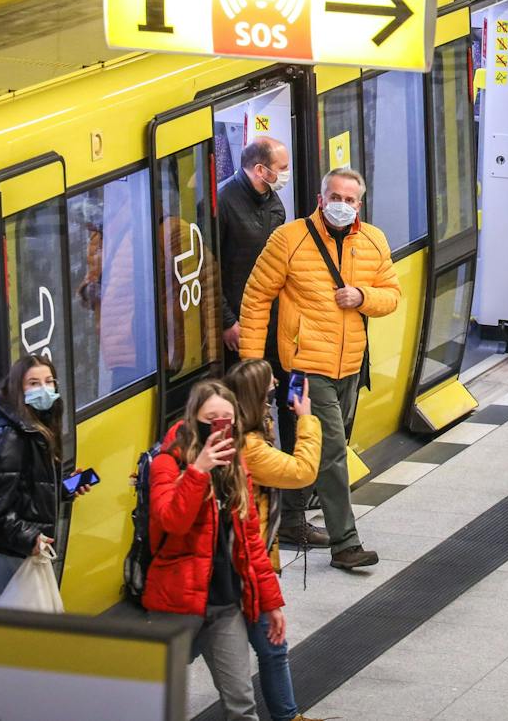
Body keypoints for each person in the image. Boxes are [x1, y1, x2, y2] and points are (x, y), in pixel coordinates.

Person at [239, 167, 401, 572]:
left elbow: (392, 296)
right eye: (335, 198)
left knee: (321, 444)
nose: (341, 205)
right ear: (320, 199)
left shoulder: (373, 240)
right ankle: (346, 544)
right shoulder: (289, 239)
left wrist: (362, 296)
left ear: (359, 204)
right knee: (331, 452)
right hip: (303, 370)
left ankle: (292, 520)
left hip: (350, 365)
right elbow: (256, 299)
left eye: (349, 200)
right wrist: (252, 366)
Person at [144, 380, 285, 721]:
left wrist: (271, 603)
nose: (221, 427)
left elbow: (251, 541)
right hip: (177, 604)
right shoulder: (168, 462)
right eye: (212, 419)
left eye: (227, 419)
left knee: (242, 702)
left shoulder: (236, 465)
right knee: (162, 704)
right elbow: (172, 521)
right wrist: (198, 471)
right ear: (193, 418)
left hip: (225, 603)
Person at [215, 135, 320, 550]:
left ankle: (293, 514)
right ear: (260, 170)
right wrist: (227, 321)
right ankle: (255, 511)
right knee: (253, 415)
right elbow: (209, 269)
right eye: (282, 167)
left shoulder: (274, 204)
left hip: (282, 333)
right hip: (244, 335)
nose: (285, 174)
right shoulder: (223, 204)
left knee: (295, 409)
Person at [224, 358, 322, 721]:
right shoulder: (250, 447)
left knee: (266, 647)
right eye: (270, 387)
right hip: (246, 563)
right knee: (271, 645)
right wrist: (306, 419)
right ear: (257, 398)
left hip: (244, 560)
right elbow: (302, 471)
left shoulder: (242, 434)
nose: (276, 390)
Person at [0, 353, 81, 603]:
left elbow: (24, 489)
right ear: (18, 388)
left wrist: (64, 488)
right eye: (34, 383)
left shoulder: (36, 431)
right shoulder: (9, 439)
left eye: (49, 381)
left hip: (0, 548)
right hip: (5, 550)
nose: (44, 389)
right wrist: (29, 538)